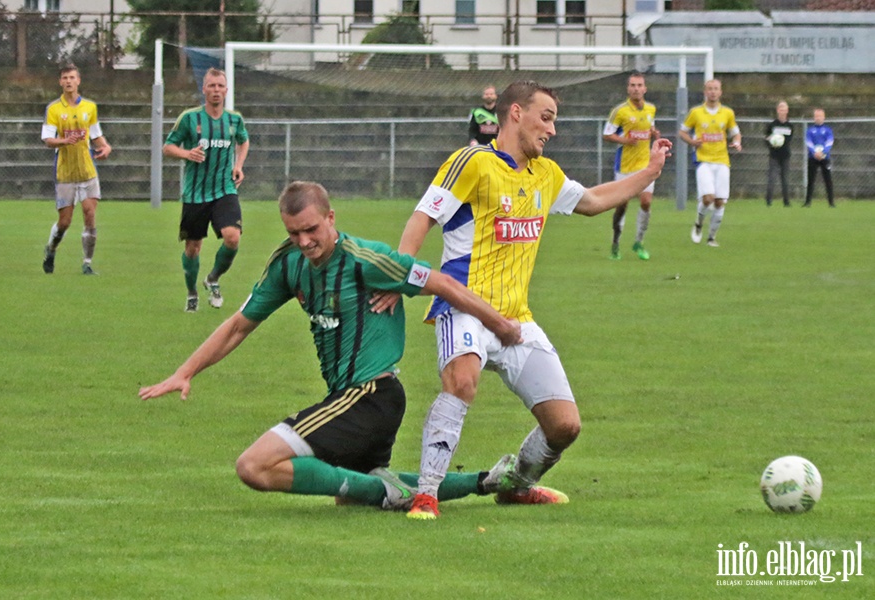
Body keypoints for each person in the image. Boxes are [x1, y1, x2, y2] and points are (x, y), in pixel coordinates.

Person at [373, 80, 671, 520]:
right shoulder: (472, 161)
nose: (551, 130)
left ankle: (516, 484)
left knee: (565, 426)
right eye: (546, 118)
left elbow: (590, 201)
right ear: (516, 113)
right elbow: (424, 216)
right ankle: (427, 494)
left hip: (517, 320)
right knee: (462, 381)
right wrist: (401, 277)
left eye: (554, 121)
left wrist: (648, 173)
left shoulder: (545, 175)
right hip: (464, 307)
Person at [139, 181, 525, 510]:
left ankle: (388, 490)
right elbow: (239, 325)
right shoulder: (289, 263)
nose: (304, 242)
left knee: (253, 466)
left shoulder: (366, 259)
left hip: (371, 395)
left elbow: (444, 285)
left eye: (311, 230)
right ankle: (488, 481)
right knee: (355, 495)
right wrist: (184, 372)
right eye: (293, 233)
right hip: (350, 398)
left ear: (331, 218)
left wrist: (501, 327)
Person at [163, 67, 250, 312]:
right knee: (193, 247)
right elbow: (168, 147)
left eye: (220, 86)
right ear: (203, 89)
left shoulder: (234, 119)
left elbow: (244, 141)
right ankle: (192, 293)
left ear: (226, 90)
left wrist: (238, 165)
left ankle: (213, 278)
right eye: (211, 86)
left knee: (233, 237)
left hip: (225, 189)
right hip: (196, 193)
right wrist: (186, 153)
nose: (216, 90)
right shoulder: (190, 118)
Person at [40, 63, 112, 275]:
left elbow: (95, 134)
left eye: (72, 77)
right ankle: (51, 249)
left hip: (88, 171)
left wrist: (105, 146)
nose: (69, 81)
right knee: (65, 222)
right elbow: (48, 140)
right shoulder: (54, 109)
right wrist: (64, 140)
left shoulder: (89, 107)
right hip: (65, 174)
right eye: (65, 78)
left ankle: (87, 263)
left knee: (90, 214)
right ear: (60, 82)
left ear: (78, 80)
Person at [602, 72, 659, 261]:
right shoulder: (620, 111)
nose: (636, 88)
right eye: (633, 85)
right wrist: (626, 140)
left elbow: (650, 128)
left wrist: (654, 133)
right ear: (628, 89)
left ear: (645, 88)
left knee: (646, 202)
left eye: (639, 85)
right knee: (621, 207)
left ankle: (639, 242)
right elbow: (607, 135)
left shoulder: (651, 109)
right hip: (625, 167)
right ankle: (616, 243)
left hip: (645, 165)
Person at [679, 79, 742, 248]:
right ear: (705, 92)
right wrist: (692, 143)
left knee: (720, 201)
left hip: (722, 161)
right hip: (703, 160)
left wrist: (737, 142)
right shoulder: (696, 112)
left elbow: (736, 133)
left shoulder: (727, 113)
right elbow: (682, 132)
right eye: (710, 89)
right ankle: (699, 224)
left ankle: (711, 238)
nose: (713, 92)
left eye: (716, 89)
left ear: (720, 92)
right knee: (708, 198)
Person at [764, 101, 794, 207]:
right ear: (777, 110)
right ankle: (768, 201)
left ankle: (786, 201)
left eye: (784, 109)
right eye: (780, 109)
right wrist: (771, 142)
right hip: (774, 156)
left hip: (785, 156)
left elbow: (789, 140)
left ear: (787, 111)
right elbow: (766, 138)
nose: (782, 111)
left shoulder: (790, 126)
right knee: (772, 178)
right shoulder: (772, 125)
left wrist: (781, 141)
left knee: (785, 179)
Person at [804, 108, 835, 208]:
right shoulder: (810, 130)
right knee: (811, 180)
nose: (818, 118)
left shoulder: (828, 130)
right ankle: (807, 202)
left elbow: (830, 142)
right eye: (816, 116)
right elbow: (808, 142)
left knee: (828, 180)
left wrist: (823, 152)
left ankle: (831, 202)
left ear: (824, 117)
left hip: (825, 158)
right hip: (812, 157)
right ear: (814, 117)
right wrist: (814, 152)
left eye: (820, 116)